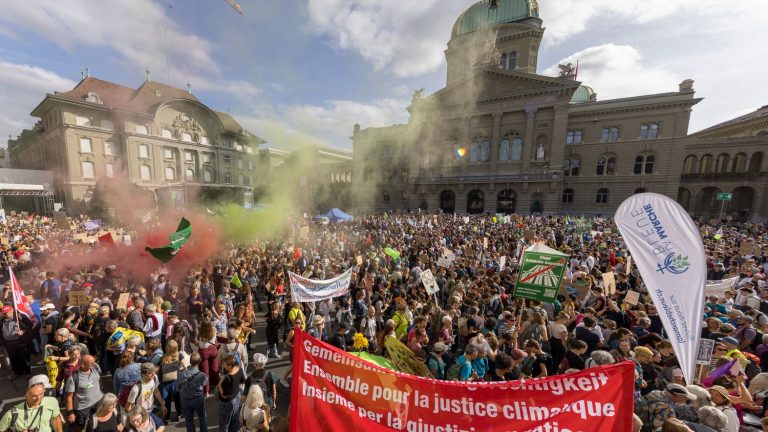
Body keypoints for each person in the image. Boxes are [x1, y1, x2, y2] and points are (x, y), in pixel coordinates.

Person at [64, 354, 103, 432]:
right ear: (82, 364)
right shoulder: (74, 378)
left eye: (94, 362)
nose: (94, 364)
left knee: (99, 425)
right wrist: (70, 413)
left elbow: (98, 381)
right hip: (82, 409)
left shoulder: (95, 368)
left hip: (98, 403)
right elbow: (68, 397)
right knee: (83, 428)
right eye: (91, 363)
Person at [178, 352, 209, 432]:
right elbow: (204, 384)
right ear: (200, 362)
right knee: (202, 417)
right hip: (197, 398)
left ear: (190, 361)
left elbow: (178, 386)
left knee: (189, 420)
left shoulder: (182, 373)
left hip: (185, 399)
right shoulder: (202, 375)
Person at [216, 354, 244, 432]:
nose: (223, 366)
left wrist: (219, 385)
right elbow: (242, 380)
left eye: (224, 364)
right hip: (237, 396)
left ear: (230, 365)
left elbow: (224, 395)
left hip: (228, 402)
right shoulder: (239, 369)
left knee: (224, 421)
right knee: (235, 417)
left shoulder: (228, 378)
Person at [159, 340, 183, 422]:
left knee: (167, 401)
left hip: (166, 383)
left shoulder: (162, 358)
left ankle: (167, 418)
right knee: (177, 399)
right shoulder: (179, 356)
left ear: (167, 348)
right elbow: (185, 366)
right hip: (176, 381)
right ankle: (179, 414)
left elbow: (158, 369)